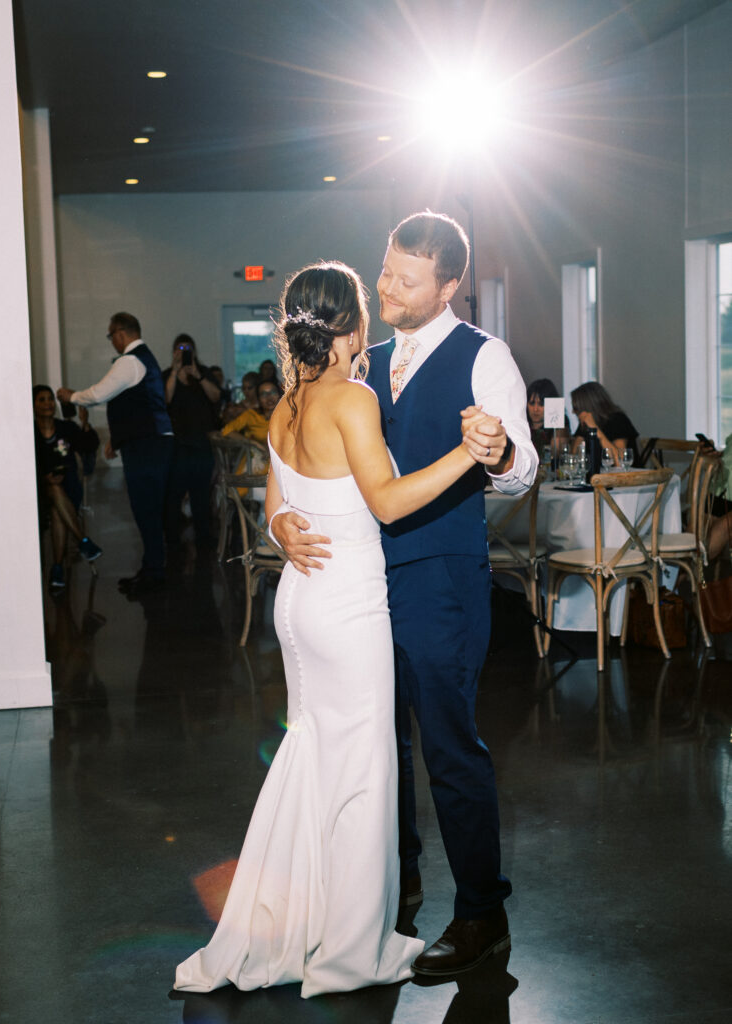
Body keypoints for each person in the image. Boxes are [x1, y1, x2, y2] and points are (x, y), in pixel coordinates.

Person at [174, 260, 499, 998]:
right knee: (361, 774)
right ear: (351, 324)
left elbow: (275, 507)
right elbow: (387, 502)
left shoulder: (287, 404)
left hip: (299, 604)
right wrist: (468, 455)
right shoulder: (350, 398)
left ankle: (302, 920)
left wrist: (281, 526)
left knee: (313, 762)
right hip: (347, 607)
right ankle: (350, 948)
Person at [272, 212, 537, 978]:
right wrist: (283, 519)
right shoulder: (361, 364)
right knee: (373, 744)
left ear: (447, 285)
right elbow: (312, 464)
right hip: (355, 583)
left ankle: (480, 914)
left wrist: (497, 451)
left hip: (439, 581)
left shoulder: (483, 356)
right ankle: (390, 881)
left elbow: (520, 472)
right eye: (385, 271)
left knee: (448, 745)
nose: (385, 288)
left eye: (405, 280)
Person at [57, 312, 173, 597]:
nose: (112, 342)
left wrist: (71, 396)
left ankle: (155, 575)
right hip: (148, 444)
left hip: (147, 446)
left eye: (111, 336)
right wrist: (117, 440)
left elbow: (99, 393)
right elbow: (133, 406)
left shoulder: (130, 361)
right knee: (146, 510)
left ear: (121, 333)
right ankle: (150, 570)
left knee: (146, 510)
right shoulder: (141, 359)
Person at [33, 385, 102, 590]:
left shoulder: (66, 428)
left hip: (69, 486)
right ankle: (83, 541)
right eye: (42, 400)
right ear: (33, 405)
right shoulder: (29, 433)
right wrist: (45, 478)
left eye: (50, 399)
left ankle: (57, 569)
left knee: (58, 508)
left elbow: (89, 446)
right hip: (41, 490)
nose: (48, 403)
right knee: (54, 495)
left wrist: (85, 423)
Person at [163, 334, 221, 552]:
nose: (184, 352)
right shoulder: (167, 375)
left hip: (201, 444)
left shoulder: (203, 373)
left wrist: (197, 375)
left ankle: (204, 540)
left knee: (201, 496)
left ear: (194, 352)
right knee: (173, 495)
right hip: (176, 446)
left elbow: (215, 397)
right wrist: (175, 370)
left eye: (188, 349)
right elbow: (165, 399)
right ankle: (172, 541)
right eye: (180, 349)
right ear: (173, 352)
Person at [570, 381, 639, 466]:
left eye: (576, 408)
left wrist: (595, 428)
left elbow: (620, 463)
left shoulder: (618, 420)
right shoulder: (585, 423)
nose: (573, 412)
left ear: (587, 407)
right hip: (599, 473)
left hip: (626, 474)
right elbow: (574, 459)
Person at [526, 377, 570, 457]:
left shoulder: (559, 421)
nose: (535, 409)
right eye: (532, 403)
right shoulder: (523, 421)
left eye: (541, 404)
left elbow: (557, 451)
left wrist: (557, 417)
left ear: (551, 404)